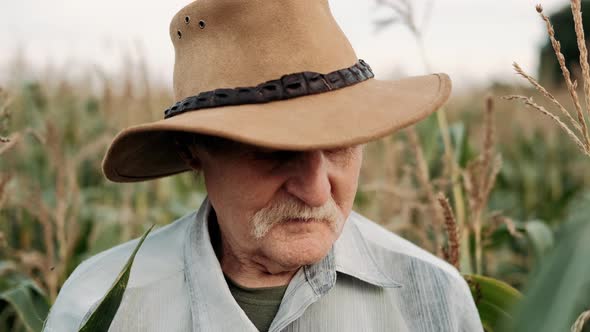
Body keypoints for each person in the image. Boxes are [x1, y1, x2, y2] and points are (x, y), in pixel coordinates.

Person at [43, 0, 483, 331]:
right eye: (274, 151)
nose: (315, 190)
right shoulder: (99, 306)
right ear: (193, 149)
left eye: (340, 145)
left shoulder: (434, 299)